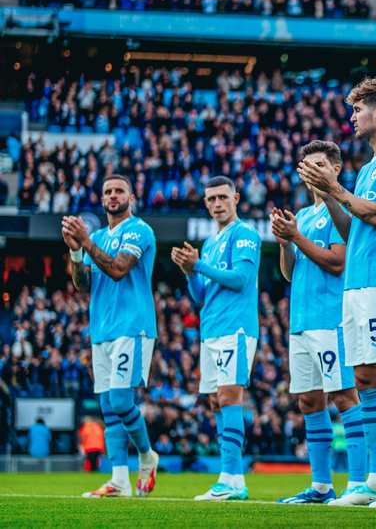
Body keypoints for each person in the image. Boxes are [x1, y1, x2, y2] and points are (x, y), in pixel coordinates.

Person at [297, 76, 376, 508]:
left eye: (357, 110)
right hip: (357, 282)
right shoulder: (367, 167)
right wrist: (330, 194)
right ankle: (373, 480)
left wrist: (334, 188)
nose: (352, 118)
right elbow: (352, 230)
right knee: (365, 376)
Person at [271, 140, 367, 505]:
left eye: (319, 165)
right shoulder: (304, 214)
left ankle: (357, 483)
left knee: (344, 396)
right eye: (306, 166)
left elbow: (337, 262)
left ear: (334, 169)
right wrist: (285, 243)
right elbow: (292, 274)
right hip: (301, 321)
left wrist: (295, 237)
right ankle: (322, 487)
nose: (311, 172)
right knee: (310, 402)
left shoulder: (339, 209)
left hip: (330, 318)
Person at [63, 175, 159, 498]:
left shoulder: (139, 230)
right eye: (107, 192)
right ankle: (119, 480)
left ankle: (147, 456)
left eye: (119, 191)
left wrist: (87, 242)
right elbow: (82, 284)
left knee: (120, 399)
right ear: (102, 199)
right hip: (101, 328)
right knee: (107, 405)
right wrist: (76, 251)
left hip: (132, 326)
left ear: (131, 197)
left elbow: (118, 268)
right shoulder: (101, 234)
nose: (113, 196)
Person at [172, 176, 261, 501]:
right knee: (214, 401)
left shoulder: (245, 233)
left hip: (235, 327)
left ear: (236, 197)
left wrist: (199, 265)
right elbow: (200, 296)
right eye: (211, 199)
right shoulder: (210, 243)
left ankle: (230, 477)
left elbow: (239, 280)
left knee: (228, 398)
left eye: (223, 197)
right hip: (210, 330)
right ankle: (233, 479)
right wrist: (190, 272)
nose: (217, 204)